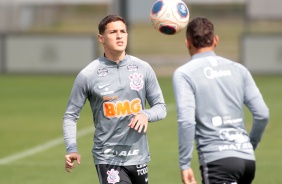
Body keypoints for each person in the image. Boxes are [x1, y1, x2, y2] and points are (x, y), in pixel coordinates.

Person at [63, 15, 166, 184]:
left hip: (138, 156)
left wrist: (145, 114)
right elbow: (70, 115)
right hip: (108, 158)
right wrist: (72, 148)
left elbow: (160, 107)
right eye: (113, 32)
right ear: (101, 38)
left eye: (123, 31)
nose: (119, 36)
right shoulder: (88, 75)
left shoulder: (143, 68)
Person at [172, 17, 269, 184]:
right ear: (215, 40)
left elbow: (187, 122)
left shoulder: (185, 74)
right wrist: (249, 145)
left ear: (187, 42)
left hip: (218, 163)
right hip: (247, 161)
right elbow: (262, 114)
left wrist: (185, 163)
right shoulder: (239, 69)